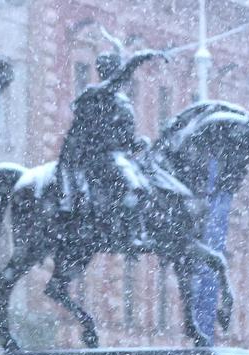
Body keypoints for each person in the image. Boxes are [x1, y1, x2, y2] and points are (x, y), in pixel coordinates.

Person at [56, 48, 185, 248]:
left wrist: (137, 143)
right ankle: (131, 229)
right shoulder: (97, 93)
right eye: (115, 70)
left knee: (149, 179)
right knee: (133, 184)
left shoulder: (118, 100)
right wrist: (141, 57)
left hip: (115, 154)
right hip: (96, 156)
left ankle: (139, 225)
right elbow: (98, 134)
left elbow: (122, 138)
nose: (120, 76)